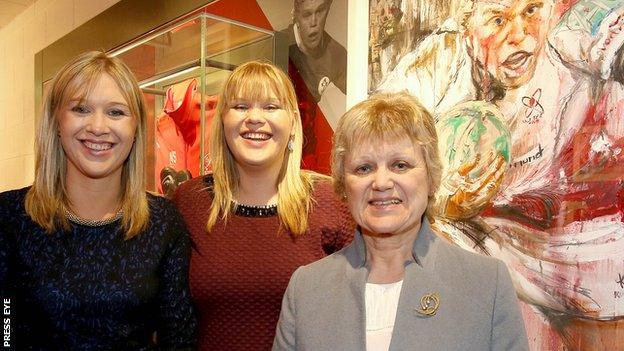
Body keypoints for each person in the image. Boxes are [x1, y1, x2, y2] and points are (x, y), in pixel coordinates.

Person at [379, 0, 624, 348]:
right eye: (497, 19)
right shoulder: (439, 63)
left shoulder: (570, 44)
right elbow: (378, 140)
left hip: (573, 245)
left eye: (531, 11)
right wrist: (443, 197)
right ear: (467, 26)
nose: (519, 35)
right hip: (486, 248)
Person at [273, 92, 529, 351]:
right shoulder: (306, 289)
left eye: (400, 165)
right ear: (343, 185)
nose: (381, 183)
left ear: (431, 178)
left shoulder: (486, 284)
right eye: (364, 168)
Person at [0, 51, 196, 349]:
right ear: (56, 122)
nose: (98, 127)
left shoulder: (163, 223)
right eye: (81, 109)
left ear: (135, 130)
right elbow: (4, 328)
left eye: (116, 112)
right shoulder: (9, 217)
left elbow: (177, 339)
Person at [172, 60, 354, 350]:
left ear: (293, 123)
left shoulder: (333, 202)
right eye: (241, 106)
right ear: (222, 120)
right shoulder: (189, 202)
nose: (254, 118)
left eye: (271, 107)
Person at [282, 0, 347, 102]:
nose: (313, 22)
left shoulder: (336, 53)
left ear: (328, 10)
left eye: (320, 11)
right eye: (306, 15)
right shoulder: (277, 46)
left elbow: (359, 92)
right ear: (296, 17)